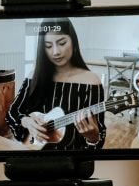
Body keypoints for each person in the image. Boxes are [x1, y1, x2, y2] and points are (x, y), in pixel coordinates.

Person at [6, 18, 107, 150]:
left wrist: (93, 138)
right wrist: (26, 121)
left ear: (73, 40)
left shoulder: (91, 81)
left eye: (62, 43)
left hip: (70, 161)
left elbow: (99, 134)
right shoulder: (33, 76)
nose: (56, 52)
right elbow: (12, 113)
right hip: (32, 154)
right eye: (48, 46)